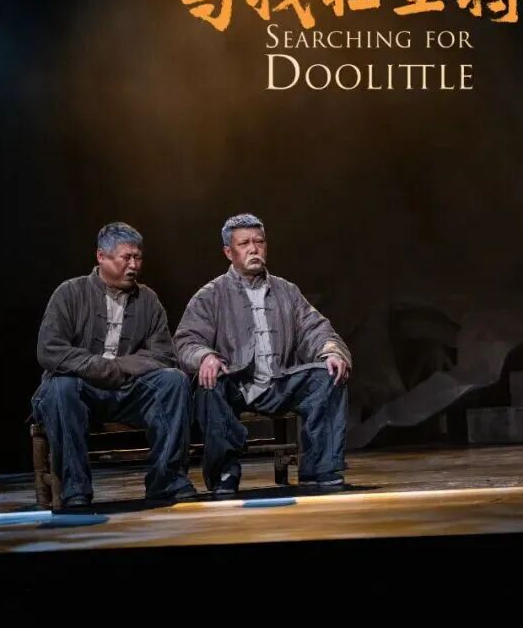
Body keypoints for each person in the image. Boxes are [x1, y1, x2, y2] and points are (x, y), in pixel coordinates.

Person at [174, 213, 352, 495]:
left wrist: (330, 351)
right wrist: (205, 356)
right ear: (228, 252)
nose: (254, 249)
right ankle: (224, 472)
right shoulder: (211, 294)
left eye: (259, 242)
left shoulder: (287, 291)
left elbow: (315, 329)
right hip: (235, 383)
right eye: (244, 243)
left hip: (280, 381)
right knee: (209, 385)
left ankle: (320, 468)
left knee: (328, 374)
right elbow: (186, 341)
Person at [33, 222, 196, 510]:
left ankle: (167, 480)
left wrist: (119, 367)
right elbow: (50, 350)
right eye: (126, 257)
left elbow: (163, 355)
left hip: (127, 389)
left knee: (174, 380)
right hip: (80, 389)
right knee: (60, 387)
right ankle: (75, 487)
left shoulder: (147, 299)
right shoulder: (70, 293)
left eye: (138, 258)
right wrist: (96, 366)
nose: (134, 265)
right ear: (101, 256)